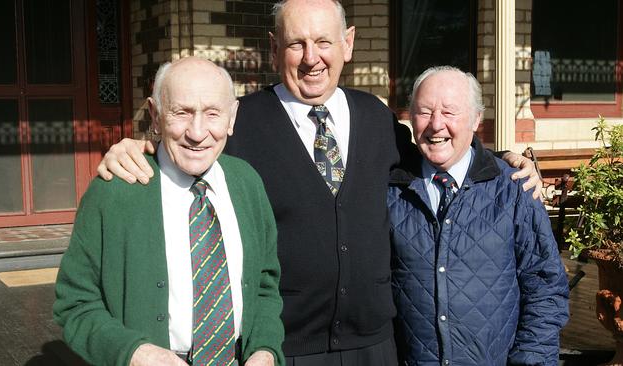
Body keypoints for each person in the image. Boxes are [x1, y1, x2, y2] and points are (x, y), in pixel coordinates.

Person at [95, 1, 542, 364]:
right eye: (296, 44)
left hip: (376, 346)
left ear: (347, 44)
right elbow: (187, 154)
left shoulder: (377, 118)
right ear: (274, 49)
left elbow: (440, 152)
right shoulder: (239, 124)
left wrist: (503, 160)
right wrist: (140, 147)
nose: (312, 58)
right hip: (282, 348)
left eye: (324, 42)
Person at [53, 57, 284, 366]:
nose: (197, 132)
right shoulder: (114, 192)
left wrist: (266, 349)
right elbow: (75, 305)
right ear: (155, 115)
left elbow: (265, 287)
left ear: (232, 117)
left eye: (212, 113)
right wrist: (134, 353)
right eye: (182, 113)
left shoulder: (247, 183)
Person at [388, 66, 569, 366]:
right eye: (424, 112)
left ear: (476, 119)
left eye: (449, 112)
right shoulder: (391, 191)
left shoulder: (514, 189)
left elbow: (545, 288)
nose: (436, 125)